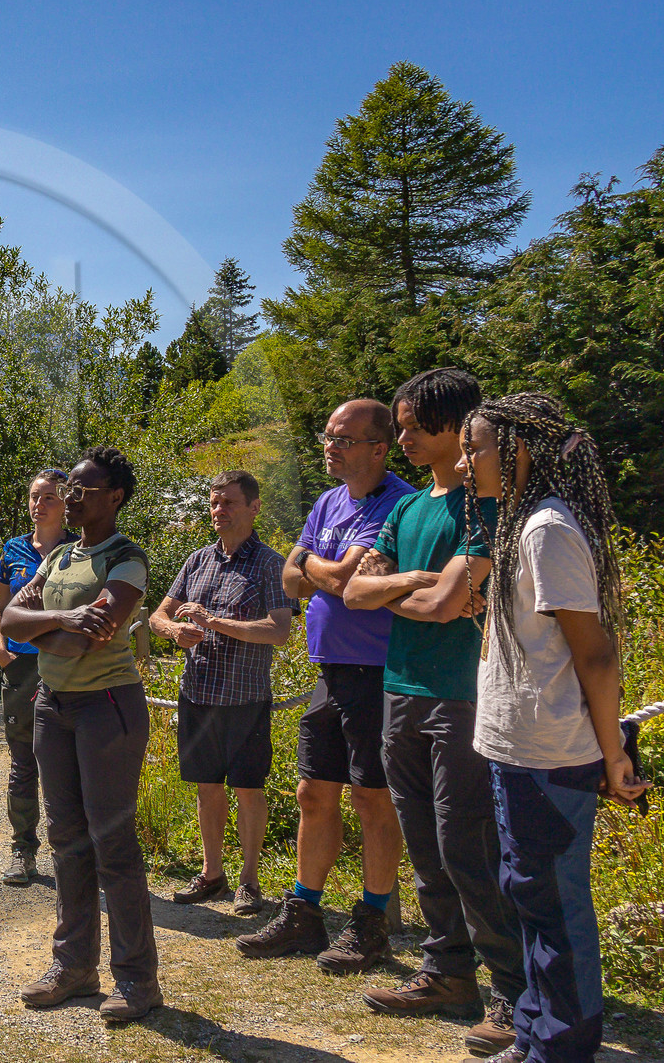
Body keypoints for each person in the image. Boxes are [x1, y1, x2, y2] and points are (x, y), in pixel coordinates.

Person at [460, 394, 650, 1063]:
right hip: (519, 751)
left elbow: (594, 652)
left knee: (556, 908)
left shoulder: (545, 527)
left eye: (475, 447)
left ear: (518, 450)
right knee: (530, 896)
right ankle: (538, 1029)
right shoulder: (519, 525)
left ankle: (563, 1046)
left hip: (550, 754)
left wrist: (612, 754)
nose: (465, 461)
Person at [343, 368, 524, 1058]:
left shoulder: (485, 509)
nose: (405, 436)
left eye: (416, 425)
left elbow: (448, 605)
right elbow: (354, 590)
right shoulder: (407, 508)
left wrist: (407, 591)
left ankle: (511, 987)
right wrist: (418, 582)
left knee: (467, 845)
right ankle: (447, 971)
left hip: (463, 696)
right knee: (424, 843)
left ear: (456, 426)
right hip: (401, 690)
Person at [239, 400, 412, 970]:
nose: (329, 446)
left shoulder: (398, 502)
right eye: (327, 434)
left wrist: (315, 566)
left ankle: (372, 921)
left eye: (344, 438)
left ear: (378, 448)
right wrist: (320, 569)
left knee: (372, 796)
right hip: (330, 669)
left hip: (381, 671)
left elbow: (334, 577)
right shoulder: (328, 501)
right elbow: (292, 578)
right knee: (314, 792)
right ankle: (304, 914)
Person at [0, 446, 161, 1023]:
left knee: (112, 843)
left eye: (84, 490)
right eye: (68, 489)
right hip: (53, 707)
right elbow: (10, 622)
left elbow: (77, 643)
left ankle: (138, 981)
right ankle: (74, 966)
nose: (70, 498)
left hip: (107, 709)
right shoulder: (61, 556)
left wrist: (50, 628)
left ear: (114, 498)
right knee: (66, 835)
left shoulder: (127, 560)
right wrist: (64, 619)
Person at [149, 469, 293, 917]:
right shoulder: (197, 560)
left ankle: (248, 882)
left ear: (253, 508)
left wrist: (213, 623)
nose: (219, 511)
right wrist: (174, 631)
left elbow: (279, 630)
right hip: (198, 693)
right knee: (206, 787)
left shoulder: (271, 563)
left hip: (246, 698)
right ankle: (213, 875)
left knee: (248, 788)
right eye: (214, 503)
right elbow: (158, 615)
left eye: (229, 503)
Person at [0, 468, 76, 885]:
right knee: (23, 761)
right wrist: (1, 649)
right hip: (21, 666)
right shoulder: (13, 549)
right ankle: (22, 850)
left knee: (68, 762)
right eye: (33, 497)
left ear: (65, 503)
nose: (38, 505)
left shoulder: (82, 551)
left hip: (65, 665)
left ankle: (75, 853)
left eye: (47, 498)